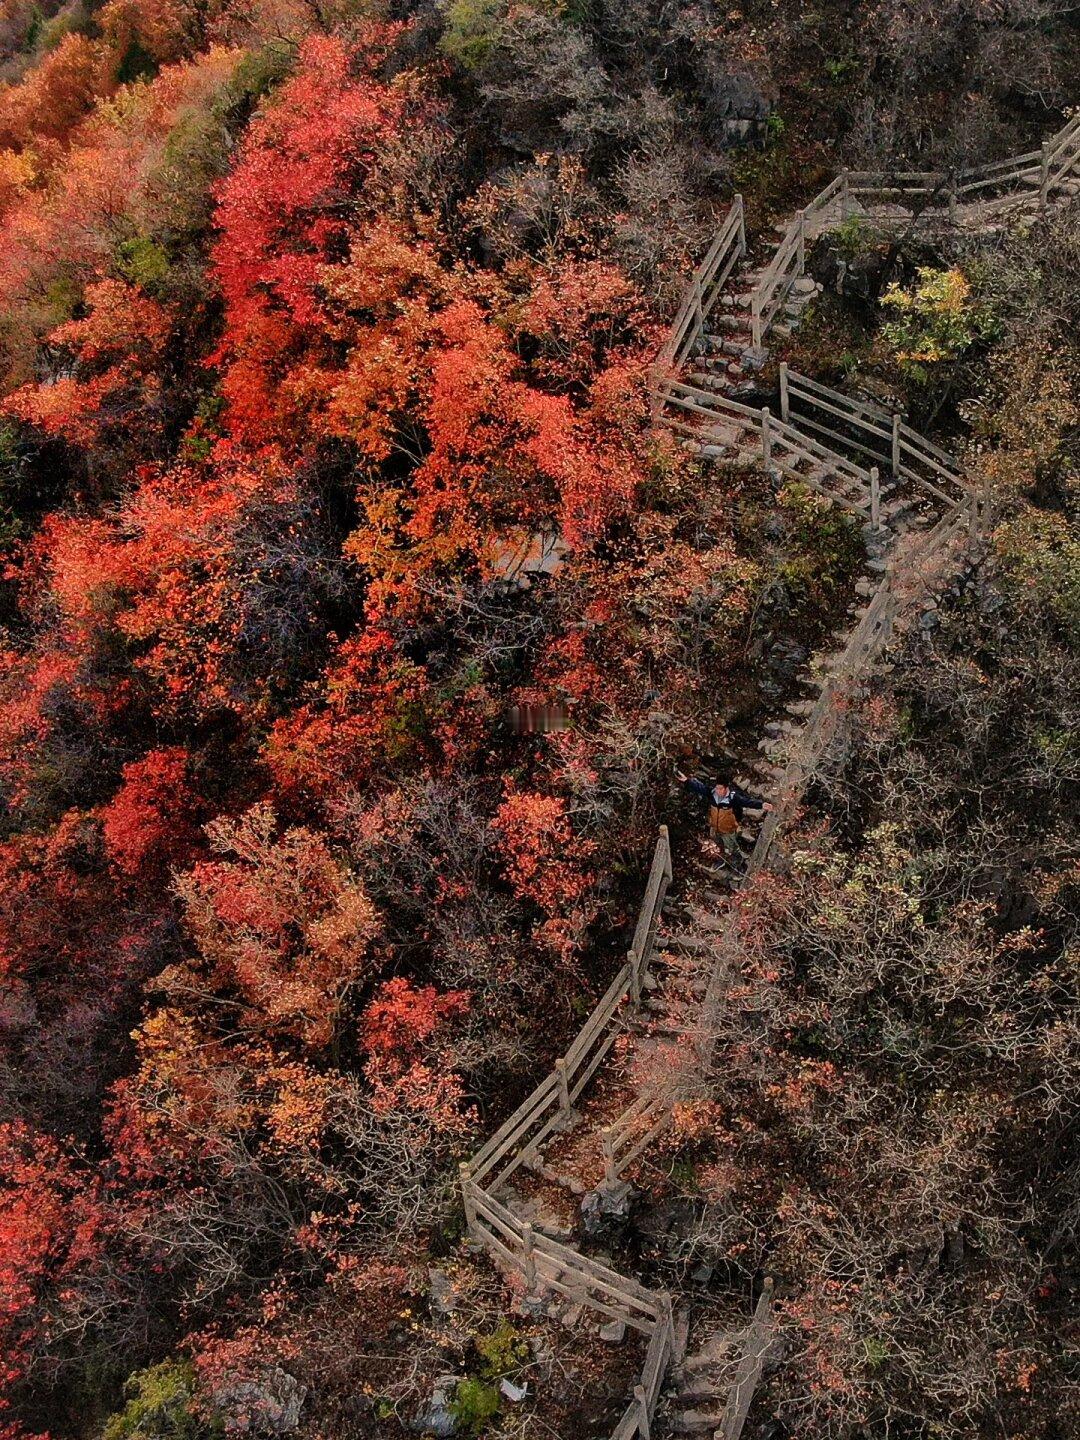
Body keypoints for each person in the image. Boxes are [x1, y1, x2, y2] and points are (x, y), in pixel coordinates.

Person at [675, 771, 773, 865]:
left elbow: (747, 802)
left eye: (720, 789)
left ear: (726, 788)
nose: (718, 791)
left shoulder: (733, 798)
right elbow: (700, 788)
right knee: (718, 842)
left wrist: (762, 805)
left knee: (731, 847)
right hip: (715, 826)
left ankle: (737, 860)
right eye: (717, 788)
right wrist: (687, 781)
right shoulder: (712, 793)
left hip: (728, 829)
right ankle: (721, 858)